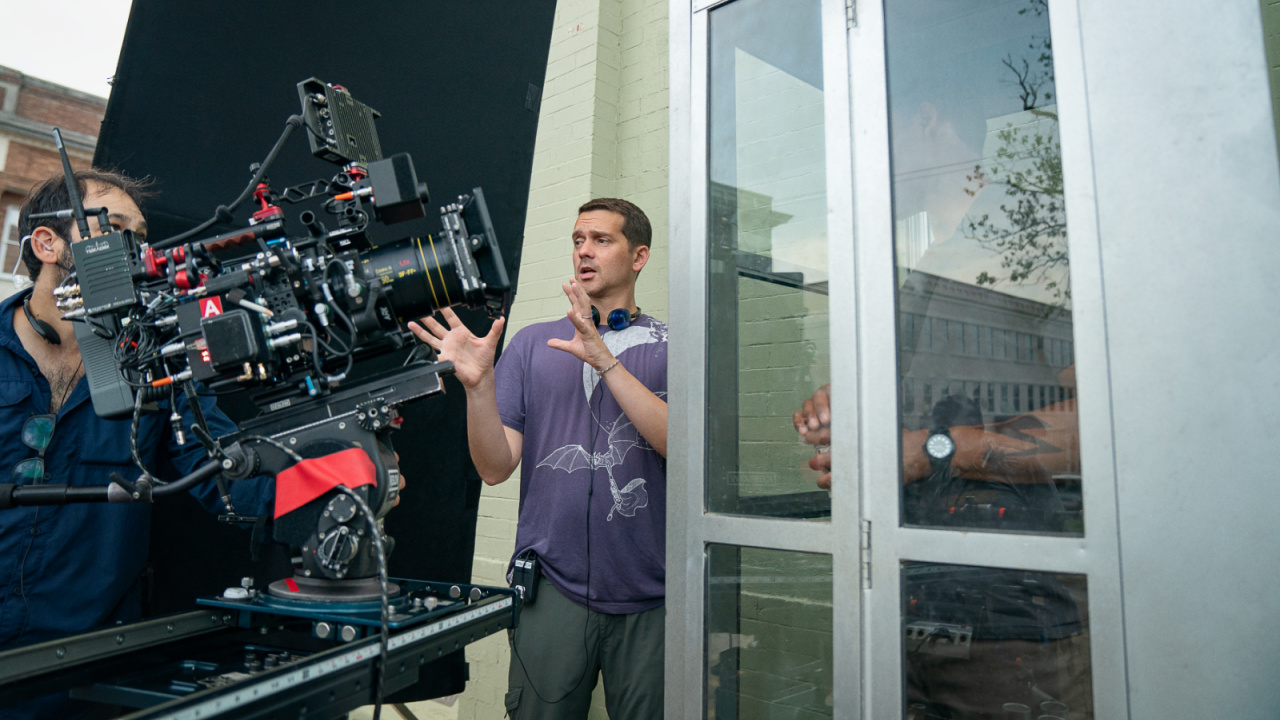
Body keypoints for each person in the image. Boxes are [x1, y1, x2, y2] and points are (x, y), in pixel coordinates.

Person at [0, 170, 274, 718]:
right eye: (114, 227)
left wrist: (326, 485)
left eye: (140, 235)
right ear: (47, 244)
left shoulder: (158, 363)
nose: (136, 249)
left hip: (82, 667)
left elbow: (222, 475)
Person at [410, 198, 667, 719]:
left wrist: (607, 361)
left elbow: (681, 447)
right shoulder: (531, 345)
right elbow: (494, 466)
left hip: (653, 594)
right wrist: (478, 389)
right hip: (553, 590)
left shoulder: (670, 346)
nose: (584, 252)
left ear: (638, 257)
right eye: (577, 240)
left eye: (601, 239)